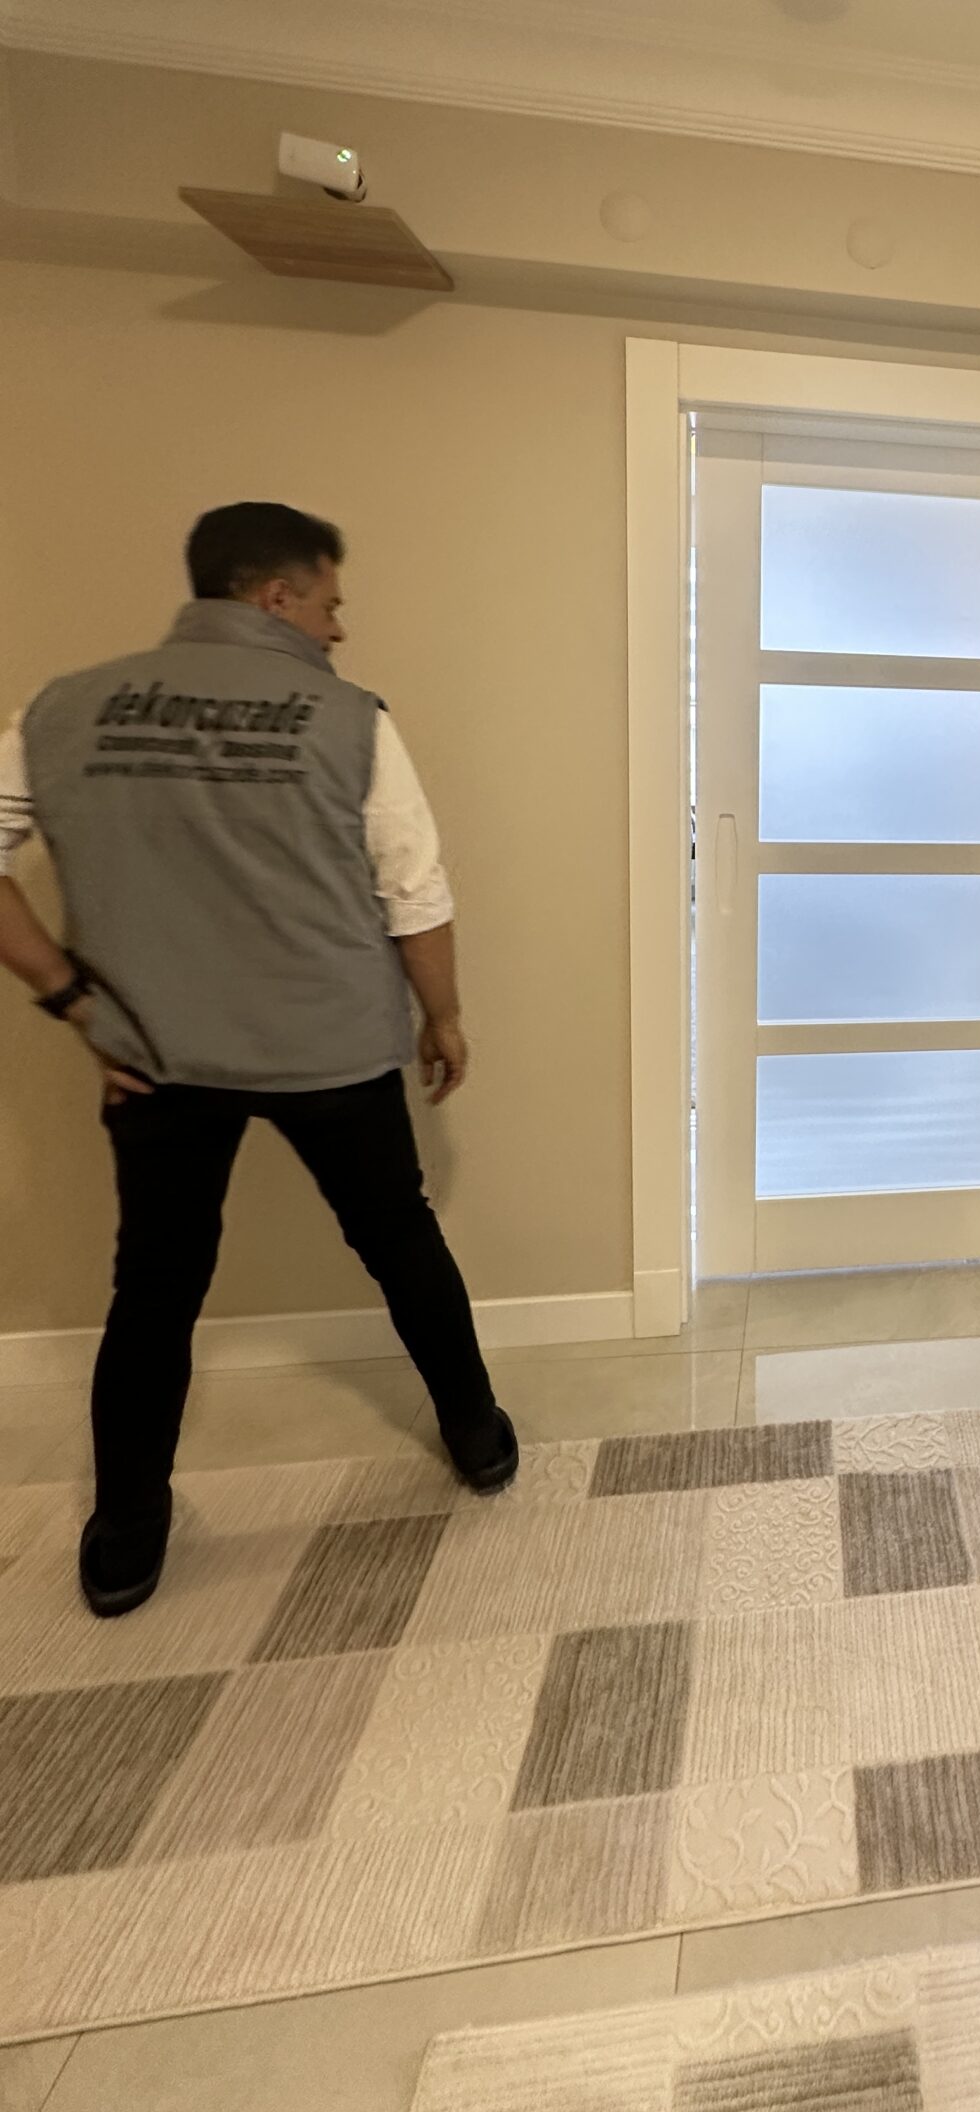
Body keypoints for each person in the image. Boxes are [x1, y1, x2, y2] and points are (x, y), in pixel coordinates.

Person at [0, 502, 516, 1618]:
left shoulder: (61, 708)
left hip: (156, 1055)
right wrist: (445, 1017)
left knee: (156, 1282)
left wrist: (70, 996)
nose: (338, 627)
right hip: (329, 1049)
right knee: (399, 1240)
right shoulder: (350, 719)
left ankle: (127, 1528)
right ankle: (478, 1434)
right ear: (276, 595)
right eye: (329, 601)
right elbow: (414, 891)